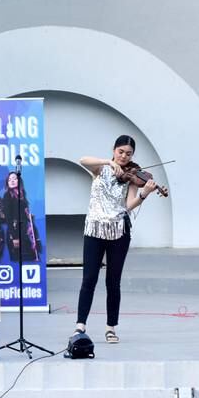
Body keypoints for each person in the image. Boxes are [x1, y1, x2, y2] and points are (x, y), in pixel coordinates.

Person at [72, 135, 169, 344]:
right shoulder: (100, 168)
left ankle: (111, 328)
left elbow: (127, 206)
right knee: (89, 279)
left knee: (113, 282)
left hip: (118, 231)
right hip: (94, 229)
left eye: (129, 154)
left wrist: (144, 193)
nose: (124, 157)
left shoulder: (131, 175)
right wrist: (108, 162)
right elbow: (82, 160)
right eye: (121, 152)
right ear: (114, 150)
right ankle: (80, 326)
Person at [1, 171, 42, 262]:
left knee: (31, 258)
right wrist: (14, 237)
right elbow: (8, 218)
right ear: (7, 183)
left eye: (14, 179)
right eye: (9, 180)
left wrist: (28, 216)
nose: (12, 181)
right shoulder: (7, 195)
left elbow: (21, 212)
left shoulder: (22, 194)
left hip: (25, 231)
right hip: (15, 231)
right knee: (18, 259)